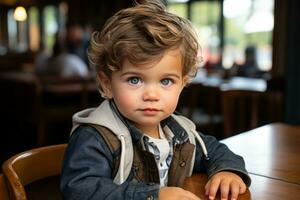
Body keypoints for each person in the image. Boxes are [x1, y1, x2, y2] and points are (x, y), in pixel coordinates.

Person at [60, 0, 251, 200]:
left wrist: (227, 171)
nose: (151, 95)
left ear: (183, 84)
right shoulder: (95, 137)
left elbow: (214, 151)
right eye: (135, 80)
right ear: (107, 83)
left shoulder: (178, 133)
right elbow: (80, 190)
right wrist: (153, 196)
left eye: (166, 81)